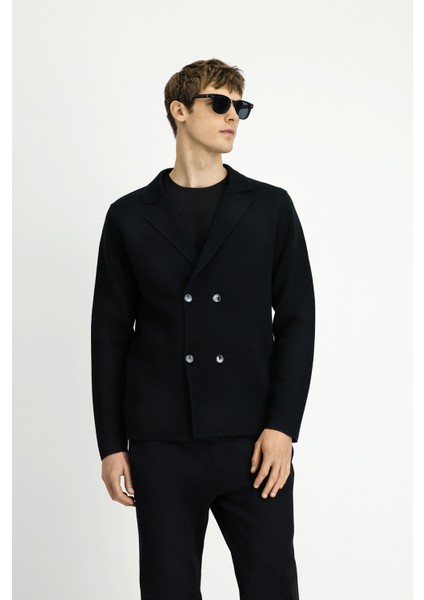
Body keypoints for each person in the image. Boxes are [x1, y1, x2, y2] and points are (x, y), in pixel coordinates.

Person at [91, 57, 315, 600]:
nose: (233, 116)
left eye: (240, 106)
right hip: (162, 443)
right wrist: (111, 445)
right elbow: (110, 337)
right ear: (179, 110)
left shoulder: (269, 208)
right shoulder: (129, 216)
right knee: (167, 589)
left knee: (272, 586)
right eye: (219, 103)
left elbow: (297, 321)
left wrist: (283, 428)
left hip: (253, 443)